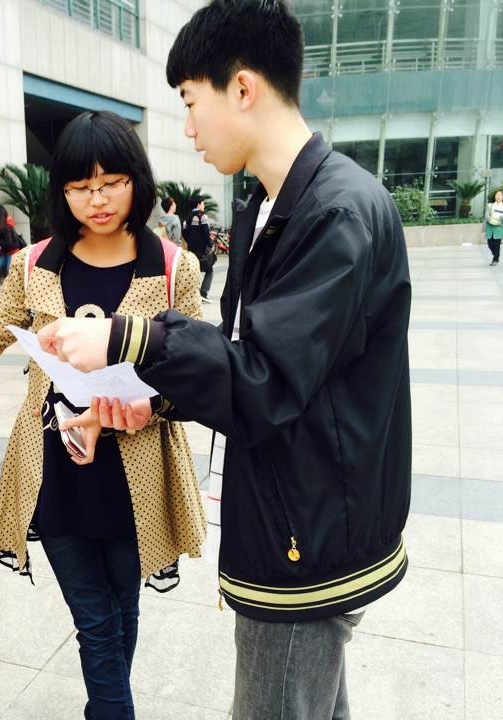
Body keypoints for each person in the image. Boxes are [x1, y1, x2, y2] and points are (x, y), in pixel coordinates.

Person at [36, 2, 412, 718]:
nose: (187, 128)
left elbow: (265, 380)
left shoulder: (332, 213)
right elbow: (262, 363)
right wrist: (155, 399)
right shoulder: (277, 205)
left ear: (241, 88)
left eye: (189, 101)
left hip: (307, 537)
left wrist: (130, 339)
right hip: (299, 513)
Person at [0, 110, 206, 720]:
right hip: (53, 467)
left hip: (135, 473)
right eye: (80, 187)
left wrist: (140, 406)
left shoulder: (171, 267)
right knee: (95, 618)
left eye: (112, 183)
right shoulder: (34, 265)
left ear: (137, 181)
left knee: (122, 608)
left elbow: (198, 371)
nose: (96, 200)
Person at [183, 196, 214, 303]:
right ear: (199, 204)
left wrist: (190, 241)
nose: (204, 206)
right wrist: (210, 244)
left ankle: (193, 295)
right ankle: (203, 293)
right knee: (209, 270)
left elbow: (184, 231)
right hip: (202, 249)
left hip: (192, 250)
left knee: (195, 270)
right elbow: (205, 231)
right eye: (203, 203)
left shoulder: (188, 217)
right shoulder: (202, 215)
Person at [0, 204, 22, 297]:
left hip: (12, 253)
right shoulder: (2, 227)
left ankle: (13, 293)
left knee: (9, 272)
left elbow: (10, 245)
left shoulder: (6, 228)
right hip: (6, 253)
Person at [485, 190, 503, 266]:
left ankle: (495, 259)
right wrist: (492, 221)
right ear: (494, 196)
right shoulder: (490, 205)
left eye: (500, 195)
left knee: (497, 244)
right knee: (490, 244)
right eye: (497, 194)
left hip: (499, 228)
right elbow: (486, 216)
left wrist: (498, 218)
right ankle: (496, 254)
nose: (498, 196)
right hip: (490, 227)